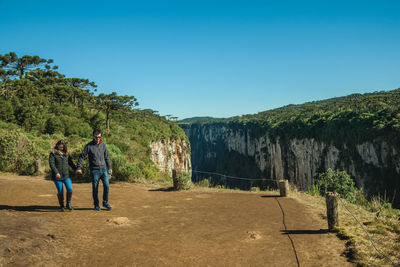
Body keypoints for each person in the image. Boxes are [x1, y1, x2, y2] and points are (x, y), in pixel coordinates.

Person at [76, 130, 112, 211]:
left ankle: (105, 203)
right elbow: (82, 156)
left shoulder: (103, 145)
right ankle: (96, 205)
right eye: (96, 137)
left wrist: (109, 168)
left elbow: (107, 157)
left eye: (99, 137)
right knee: (95, 188)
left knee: (107, 186)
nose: (98, 138)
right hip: (94, 170)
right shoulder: (89, 146)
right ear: (93, 136)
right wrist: (78, 167)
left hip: (103, 169)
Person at [49, 140, 76, 212]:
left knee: (70, 189)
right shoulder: (53, 153)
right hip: (57, 176)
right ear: (57, 145)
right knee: (60, 191)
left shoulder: (66, 154)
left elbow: (71, 163)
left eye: (63, 145)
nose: (61, 146)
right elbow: (52, 164)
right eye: (60, 145)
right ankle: (62, 206)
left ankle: (68, 204)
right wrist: (56, 172)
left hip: (66, 175)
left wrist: (76, 169)